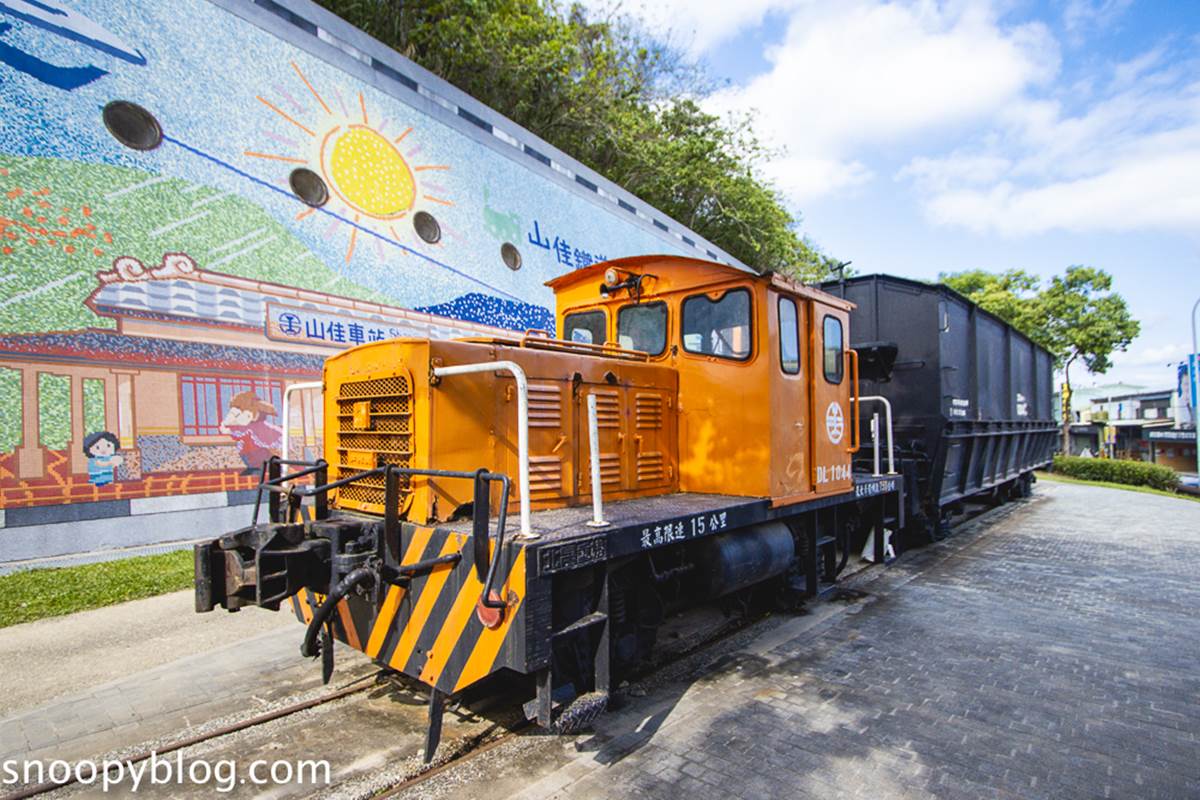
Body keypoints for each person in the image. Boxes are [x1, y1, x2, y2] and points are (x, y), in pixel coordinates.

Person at [219, 391, 283, 475]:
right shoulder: (244, 428)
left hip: (260, 458)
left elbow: (272, 447)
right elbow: (229, 427)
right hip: (250, 457)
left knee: (261, 463)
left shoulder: (260, 429)